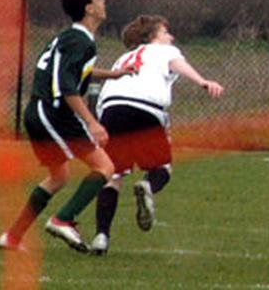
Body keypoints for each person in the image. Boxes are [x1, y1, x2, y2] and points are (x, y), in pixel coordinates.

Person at [0, 0, 134, 253]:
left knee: (58, 177)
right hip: (53, 112)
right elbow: (66, 87)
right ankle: (64, 219)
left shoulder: (72, 37)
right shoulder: (81, 41)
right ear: (89, 8)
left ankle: (12, 237)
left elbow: (77, 73)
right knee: (105, 167)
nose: (103, 0)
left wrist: (114, 74)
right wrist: (92, 123)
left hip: (38, 111)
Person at [89, 14, 224, 255]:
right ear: (153, 37)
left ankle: (101, 237)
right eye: (165, 32)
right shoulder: (163, 51)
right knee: (163, 166)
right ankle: (147, 186)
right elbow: (177, 65)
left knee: (113, 176)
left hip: (111, 110)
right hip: (145, 108)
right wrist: (202, 81)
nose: (170, 37)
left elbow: (109, 87)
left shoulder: (123, 57)